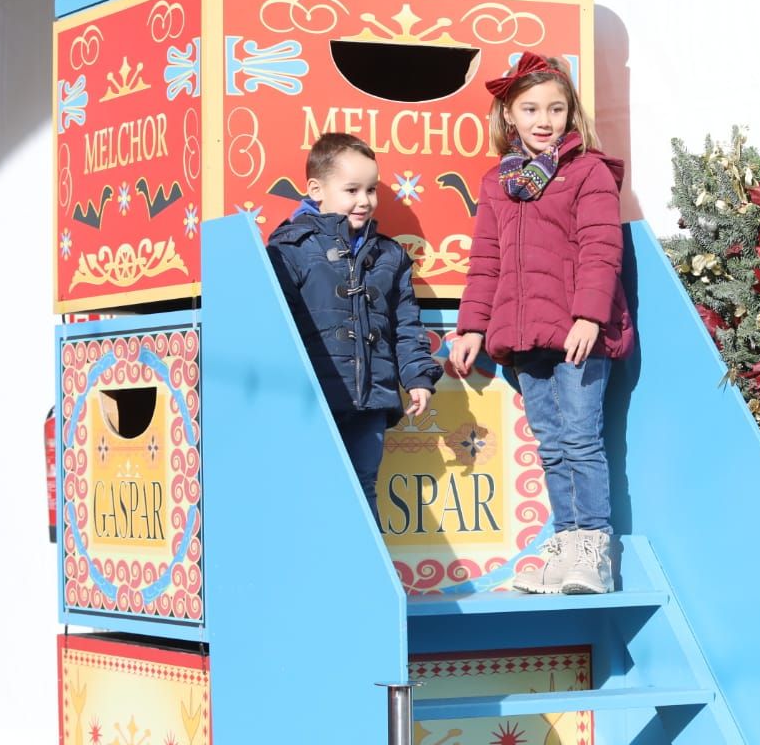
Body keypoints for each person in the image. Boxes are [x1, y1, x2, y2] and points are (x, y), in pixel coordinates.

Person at [446, 52, 634, 595]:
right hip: (524, 336)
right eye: (530, 109)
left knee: (580, 439)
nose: (543, 119)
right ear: (509, 115)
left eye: (555, 108)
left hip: (577, 334)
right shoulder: (497, 182)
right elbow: (486, 261)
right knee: (551, 444)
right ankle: (565, 539)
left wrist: (589, 317)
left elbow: (602, 247)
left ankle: (592, 549)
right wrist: (472, 328)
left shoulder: (586, 171)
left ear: (571, 113)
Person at [267, 132, 442, 524]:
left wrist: (417, 377)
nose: (364, 200)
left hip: (371, 400)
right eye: (351, 190)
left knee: (365, 484)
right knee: (311, 486)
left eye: (371, 189)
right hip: (316, 401)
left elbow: (406, 323)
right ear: (316, 189)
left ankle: (367, 581)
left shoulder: (389, 254)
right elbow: (280, 328)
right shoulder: (289, 249)